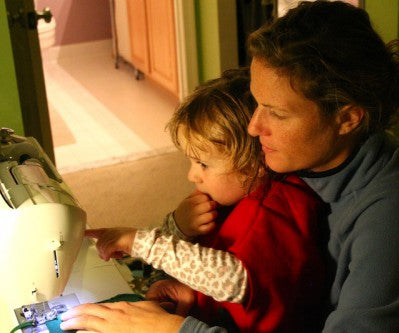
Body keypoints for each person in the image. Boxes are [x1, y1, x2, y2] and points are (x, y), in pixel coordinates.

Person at [61, 1, 399, 332]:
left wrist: (175, 331)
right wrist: (197, 296)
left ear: (347, 118)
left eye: (277, 114)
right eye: (256, 103)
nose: (253, 126)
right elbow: (266, 273)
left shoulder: (397, 215)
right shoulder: (296, 161)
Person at [61, 68, 327, 332]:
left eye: (203, 164)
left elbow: (231, 280)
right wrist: (181, 242)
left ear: (255, 163)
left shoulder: (280, 207)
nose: (192, 175)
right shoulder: (230, 199)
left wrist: (141, 243)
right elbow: (208, 266)